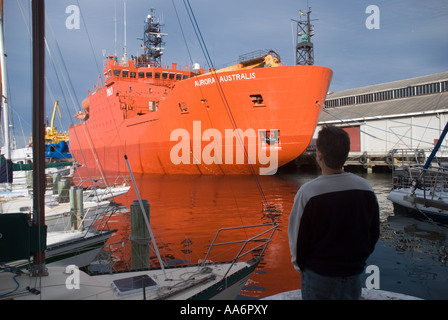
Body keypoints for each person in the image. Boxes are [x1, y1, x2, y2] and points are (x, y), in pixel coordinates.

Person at [288, 125, 380, 300]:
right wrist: (357, 261)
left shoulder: (308, 192)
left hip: (318, 276)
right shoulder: (365, 188)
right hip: (353, 273)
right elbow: (374, 232)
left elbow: (297, 239)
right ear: (346, 153)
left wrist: (303, 268)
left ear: (319, 155)